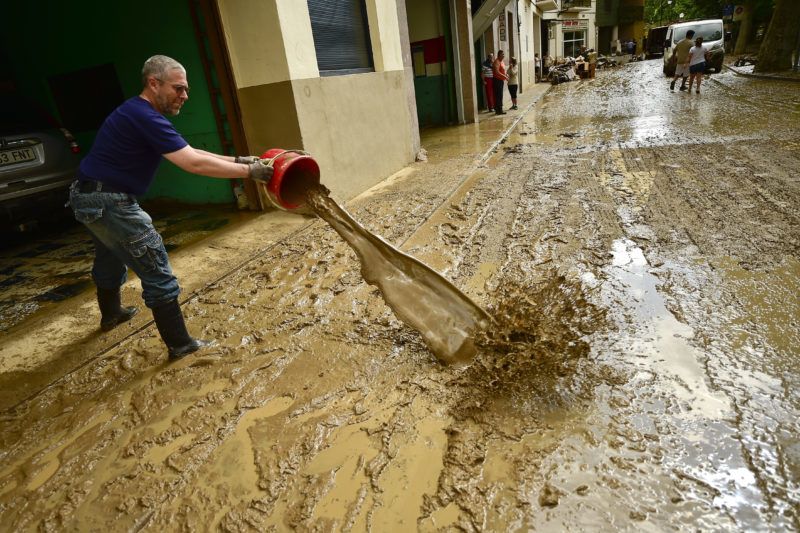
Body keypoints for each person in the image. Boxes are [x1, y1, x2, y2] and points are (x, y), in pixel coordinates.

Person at [69, 55, 273, 360]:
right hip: (109, 201)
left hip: (87, 197)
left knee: (110, 256)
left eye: (186, 89)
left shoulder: (137, 112)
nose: (185, 96)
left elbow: (191, 151)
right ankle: (180, 345)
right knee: (157, 271)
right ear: (154, 83)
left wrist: (240, 161)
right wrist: (251, 174)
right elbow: (192, 163)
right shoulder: (145, 116)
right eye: (178, 88)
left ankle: (112, 313)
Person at [492, 50, 509, 115]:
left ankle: (499, 109)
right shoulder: (496, 62)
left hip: (500, 80)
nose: (504, 55)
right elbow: (496, 72)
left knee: (500, 95)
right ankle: (498, 110)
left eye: (504, 54)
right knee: (498, 95)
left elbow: (503, 70)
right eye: (502, 54)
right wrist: (505, 76)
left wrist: (506, 74)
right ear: (499, 55)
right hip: (497, 80)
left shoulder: (502, 61)